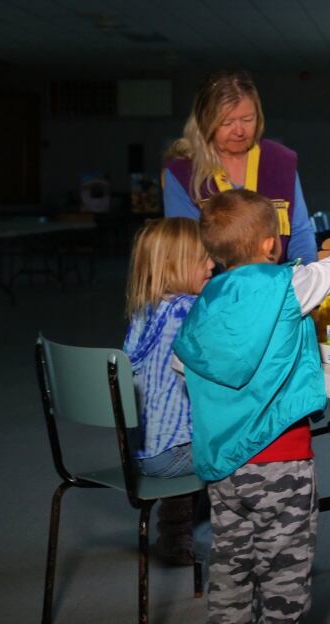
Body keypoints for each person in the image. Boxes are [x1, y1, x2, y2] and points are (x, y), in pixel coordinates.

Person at [173, 189, 330, 624]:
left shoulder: (207, 300)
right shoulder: (286, 288)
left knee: (230, 565)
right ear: (270, 244)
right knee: (284, 573)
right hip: (281, 461)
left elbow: (184, 364)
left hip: (222, 466)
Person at [123, 217, 215, 563]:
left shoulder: (143, 311)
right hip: (173, 456)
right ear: (172, 265)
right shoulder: (188, 310)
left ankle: (176, 539)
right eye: (203, 258)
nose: (211, 264)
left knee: (186, 435)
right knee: (242, 447)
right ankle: (245, 540)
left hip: (140, 452)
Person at [163, 69, 317, 266]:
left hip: (279, 285)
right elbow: (184, 249)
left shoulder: (280, 162)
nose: (239, 131)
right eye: (226, 123)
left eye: (247, 120)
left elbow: (300, 232)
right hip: (216, 291)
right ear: (205, 122)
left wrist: (304, 275)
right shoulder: (183, 173)